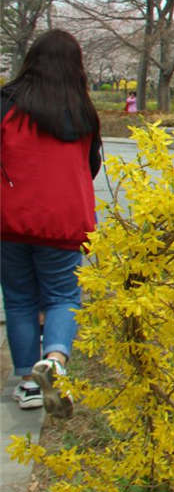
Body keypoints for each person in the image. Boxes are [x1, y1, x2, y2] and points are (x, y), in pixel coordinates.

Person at [1, 29, 102, 418]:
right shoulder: (82, 112)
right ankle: (56, 360)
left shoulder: (6, 103)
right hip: (63, 222)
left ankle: (28, 382)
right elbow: (90, 166)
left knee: (20, 298)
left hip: (10, 218)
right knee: (62, 295)